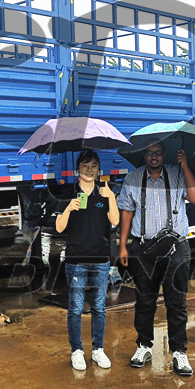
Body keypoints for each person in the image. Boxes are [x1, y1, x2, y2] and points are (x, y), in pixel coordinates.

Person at [116, 141, 195, 376]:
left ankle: (179, 352)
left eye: (158, 153)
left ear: (165, 154)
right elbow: (126, 211)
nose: (153, 157)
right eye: (149, 153)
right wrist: (123, 245)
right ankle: (144, 346)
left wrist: (185, 166)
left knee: (177, 302)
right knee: (144, 300)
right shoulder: (133, 178)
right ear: (143, 155)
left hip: (177, 248)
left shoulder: (177, 174)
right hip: (143, 248)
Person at [55, 150, 119, 371]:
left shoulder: (104, 193)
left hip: (101, 258)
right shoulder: (69, 193)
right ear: (77, 170)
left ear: (99, 170)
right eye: (85, 166)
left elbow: (114, 221)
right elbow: (59, 227)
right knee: (75, 308)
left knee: (99, 307)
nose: (89, 170)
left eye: (93, 166)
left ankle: (98, 349)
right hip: (76, 260)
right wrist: (68, 208)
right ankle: (77, 351)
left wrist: (111, 198)